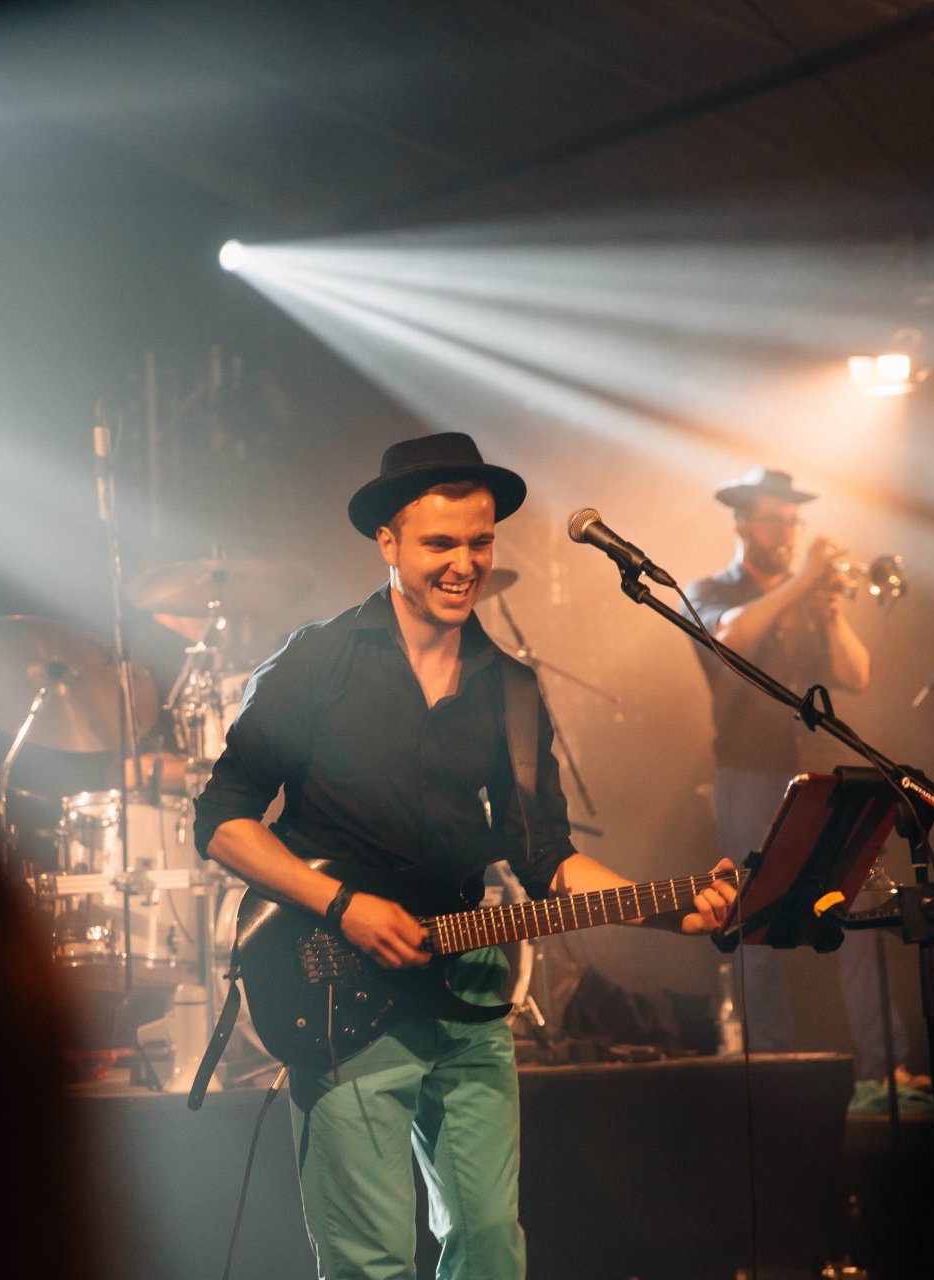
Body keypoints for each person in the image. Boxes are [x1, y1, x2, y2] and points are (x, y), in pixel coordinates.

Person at [193, 432, 738, 1280]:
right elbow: (221, 820)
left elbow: (545, 856)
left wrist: (661, 908)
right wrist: (342, 906)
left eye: (479, 542)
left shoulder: (510, 688)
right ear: (389, 542)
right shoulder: (319, 661)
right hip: (337, 983)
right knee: (372, 1264)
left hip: (470, 981)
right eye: (439, 544)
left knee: (490, 1245)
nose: (464, 564)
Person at [682, 466, 920, 1091]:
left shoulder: (807, 595)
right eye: (774, 521)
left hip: (818, 778)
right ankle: (772, 1076)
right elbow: (729, 638)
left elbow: (857, 674)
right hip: (747, 776)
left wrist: (832, 610)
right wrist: (802, 582)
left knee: (859, 910)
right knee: (754, 922)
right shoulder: (710, 590)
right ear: (742, 523)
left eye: (793, 522)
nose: (786, 533)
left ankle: (885, 1067)